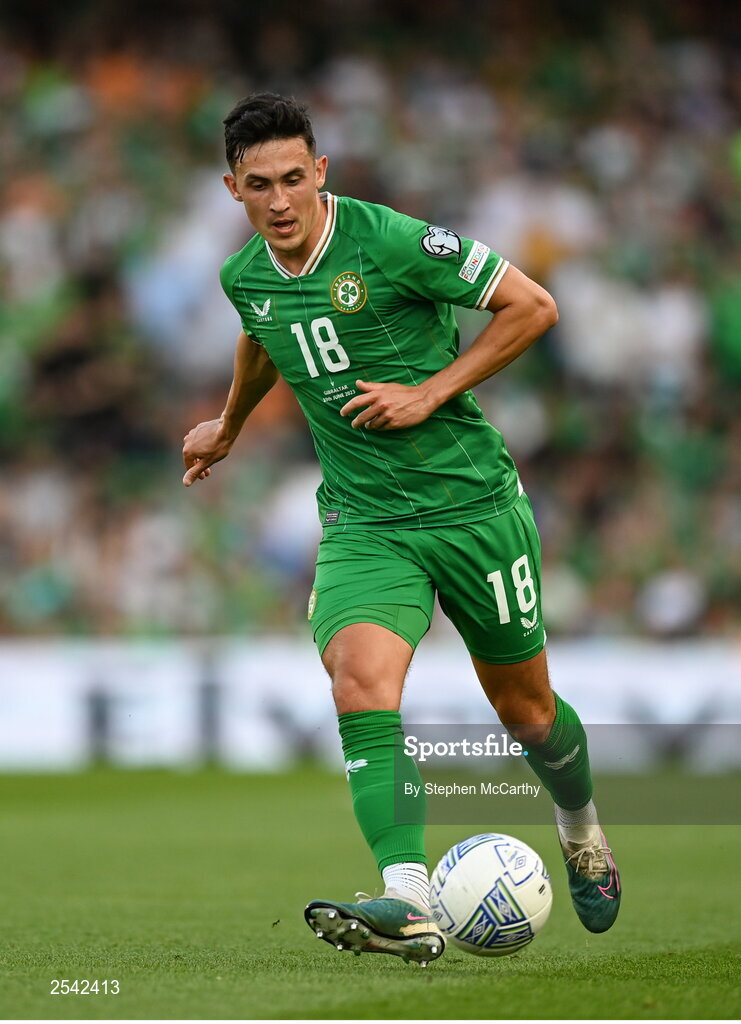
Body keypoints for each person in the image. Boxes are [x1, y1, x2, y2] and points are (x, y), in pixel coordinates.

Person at [182, 92, 620, 966]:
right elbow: (265, 335)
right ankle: (409, 900)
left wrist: (428, 392)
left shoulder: (390, 240)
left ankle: (581, 829)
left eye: (295, 180)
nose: (280, 201)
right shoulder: (246, 276)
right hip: (365, 522)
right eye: (259, 185)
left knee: (528, 716)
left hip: (472, 509)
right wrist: (230, 426)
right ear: (233, 188)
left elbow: (533, 305)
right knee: (359, 682)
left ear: (322, 173)